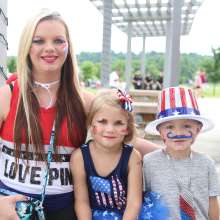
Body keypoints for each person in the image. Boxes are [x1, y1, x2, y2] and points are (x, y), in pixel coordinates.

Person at [0, 9, 158, 220]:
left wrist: (174, 152)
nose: (49, 48)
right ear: (27, 46)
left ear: (68, 47)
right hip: (13, 211)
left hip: (66, 211)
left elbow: (125, 138)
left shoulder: (83, 100)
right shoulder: (8, 95)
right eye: (38, 41)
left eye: (58, 40)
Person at [143, 86, 220, 220]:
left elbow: (212, 202)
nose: (178, 133)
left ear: (198, 129)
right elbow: (143, 199)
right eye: (170, 127)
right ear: (160, 131)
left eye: (187, 126)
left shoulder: (207, 163)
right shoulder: (149, 162)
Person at [71, 90, 142, 220]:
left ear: (128, 128)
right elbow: (82, 202)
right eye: (102, 121)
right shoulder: (79, 157)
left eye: (118, 123)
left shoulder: (132, 157)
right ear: (91, 124)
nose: (109, 129)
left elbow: (134, 203)